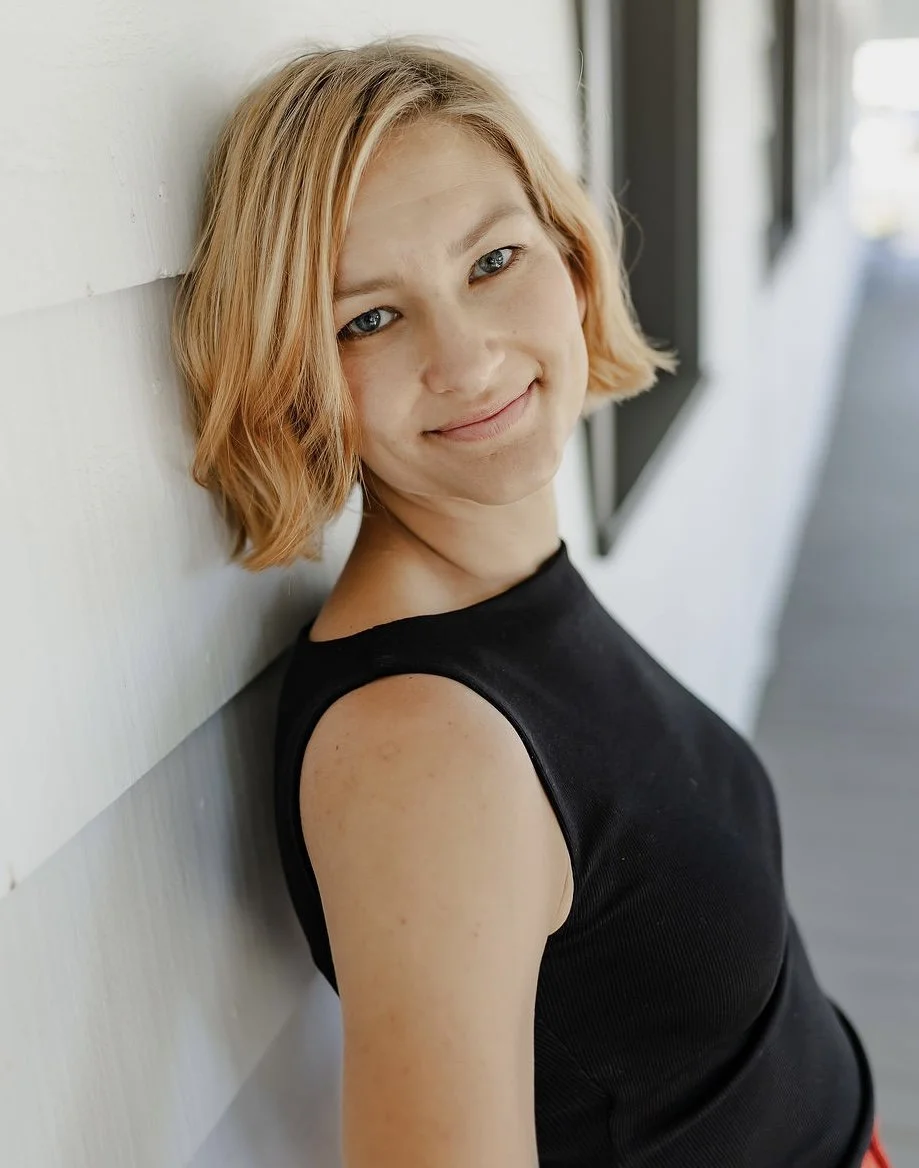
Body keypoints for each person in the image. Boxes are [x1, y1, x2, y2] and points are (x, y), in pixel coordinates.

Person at [170, 36, 892, 1168]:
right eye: (369, 317)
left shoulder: (502, 597)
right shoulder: (425, 749)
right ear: (300, 372)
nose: (463, 358)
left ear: (569, 254)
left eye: (491, 260)